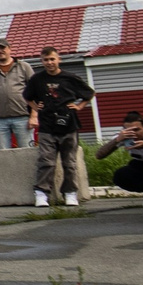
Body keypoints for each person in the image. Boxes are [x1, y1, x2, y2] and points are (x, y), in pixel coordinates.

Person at [24, 46, 93, 207]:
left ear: (58, 59)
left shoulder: (70, 78)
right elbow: (27, 96)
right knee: (46, 161)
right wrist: (35, 107)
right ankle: (41, 193)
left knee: (69, 162)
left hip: (69, 125)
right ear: (42, 61)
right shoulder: (37, 79)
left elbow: (89, 93)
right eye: (46, 60)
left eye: (52, 59)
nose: (49, 62)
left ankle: (70, 193)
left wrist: (80, 106)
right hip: (47, 126)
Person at [0, 39, 32, 150]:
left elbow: (35, 93)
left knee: (27, 152)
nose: (0, 51)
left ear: (9, 48)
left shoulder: (24, 67)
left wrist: (34, 116)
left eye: (3, 48)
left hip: (23, 118)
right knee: (3, 154)